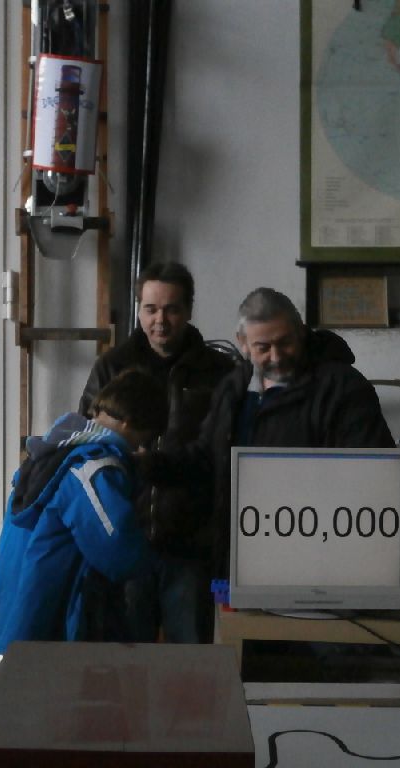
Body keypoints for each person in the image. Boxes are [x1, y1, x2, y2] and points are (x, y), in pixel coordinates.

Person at [146, 287, 395, 579]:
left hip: (314, 562)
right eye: (263, 347)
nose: (276, 357)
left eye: (285, 343)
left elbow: (372, 476)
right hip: (237, 557)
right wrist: (148, 464)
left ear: (300, 332)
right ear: (243, 343)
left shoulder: (342, 389)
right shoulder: (234, 388)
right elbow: (207, 457)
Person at [79, 262, 235, 644]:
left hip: (191, 546)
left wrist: (155, 466)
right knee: (127, 661)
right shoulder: (111, 366)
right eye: (150, 309)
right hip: (126, 540)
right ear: (139, 310)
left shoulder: (220, 372)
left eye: (171, 309)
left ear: (189, 309)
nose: (160, 321)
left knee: (191, 661)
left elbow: (222, 453)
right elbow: (86, 441)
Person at [0, 369, 168, 654]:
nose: (140, 448)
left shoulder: (56, 452)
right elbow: (117, 550)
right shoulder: (93, 468)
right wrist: (156, 563)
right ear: (129, 422)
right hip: (55, 611)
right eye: (144, 438)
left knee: (32, 676)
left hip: (25, 599)